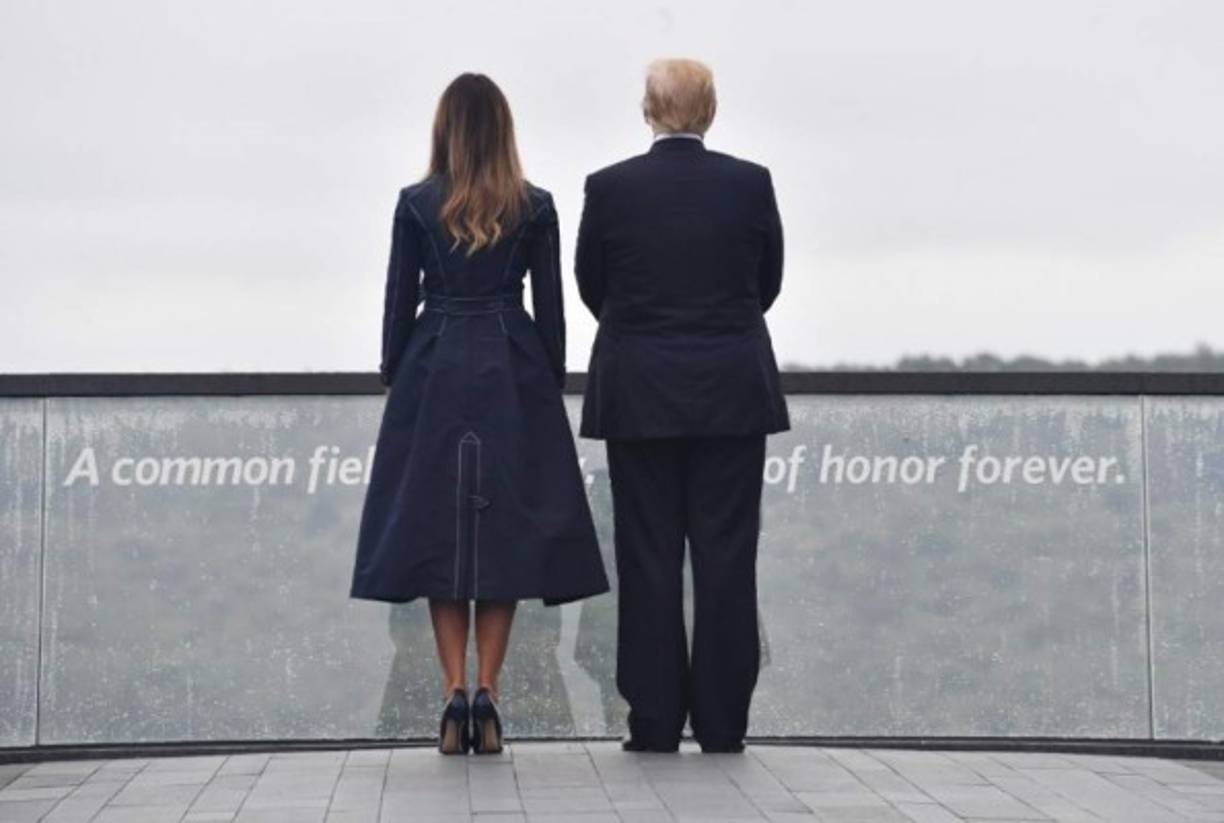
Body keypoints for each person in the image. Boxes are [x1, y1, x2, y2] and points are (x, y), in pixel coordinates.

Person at [350, 73, 610, 755]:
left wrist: (394, 372)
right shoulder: (537, 206)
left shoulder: (414, 204)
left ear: (446, 129)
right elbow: (551, 311)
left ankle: (453, 691)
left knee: (441, 534)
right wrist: (545, 376)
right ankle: (489, 691)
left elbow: (395, 304)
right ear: (503, 130)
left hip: (433, 366)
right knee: (503, 538)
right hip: (511, 365)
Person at [574, 58, 788, 753]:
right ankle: (724, 722)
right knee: (728, 558)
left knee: (647, 557)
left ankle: (655, 719)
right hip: (731, 389)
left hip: (639, 393)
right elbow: (767, 283)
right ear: (711, 110)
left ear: (647, 109)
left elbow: (591, 285)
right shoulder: (749, 184)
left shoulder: (609, 188)